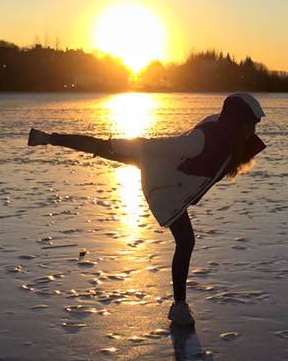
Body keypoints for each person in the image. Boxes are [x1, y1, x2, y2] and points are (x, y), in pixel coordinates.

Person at [27, 92, 266, 327]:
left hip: (167, 172)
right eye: (250, 124)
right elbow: (158, 147)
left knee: (103, 149)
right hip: (164, 182)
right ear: (237, 121)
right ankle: (179, 307)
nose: (253, 130)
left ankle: (46, 137)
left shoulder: (228, 137)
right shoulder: (203, 140)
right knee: (186, 241)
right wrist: (118, 145)